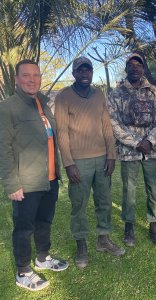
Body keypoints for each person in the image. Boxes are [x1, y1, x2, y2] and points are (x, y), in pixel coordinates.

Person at [0, 59, 68, 291]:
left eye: (36, 75)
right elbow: (3, 147)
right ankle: (23, 271)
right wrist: (12, 183)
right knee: (24, 227)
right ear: (17, 79)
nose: (32, 79)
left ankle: (42, 257)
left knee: (44, 222)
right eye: (26, 75)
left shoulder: (43, 104)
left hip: (48, 178)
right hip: (26, 182)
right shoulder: (8, 107)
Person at [55, 57, 125, 269]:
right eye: (80, 70)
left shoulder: (98, 95)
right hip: (78, 162)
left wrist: (111, 155)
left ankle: (103, 239)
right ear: (74, 73)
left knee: (104, 202)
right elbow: (62, 132)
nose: (85, 73)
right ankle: (82, 246)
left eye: (88, 70)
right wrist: (68, 163)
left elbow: (106, 126)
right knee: (79, 205)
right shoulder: (63, 96)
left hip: (102, 159)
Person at [108, 53, 156, 247]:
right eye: (131, 65)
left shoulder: (153, 92)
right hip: (128, 151)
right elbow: (113, 123)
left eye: (138, 65)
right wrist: (136, 142)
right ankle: (129, 227)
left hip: (151, 150)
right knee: (129, 190)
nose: (135, 68)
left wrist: (149, 141)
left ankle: (154, 226)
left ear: (143, 69)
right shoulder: (116, 93)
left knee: (153, 188)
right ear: (126, 69)